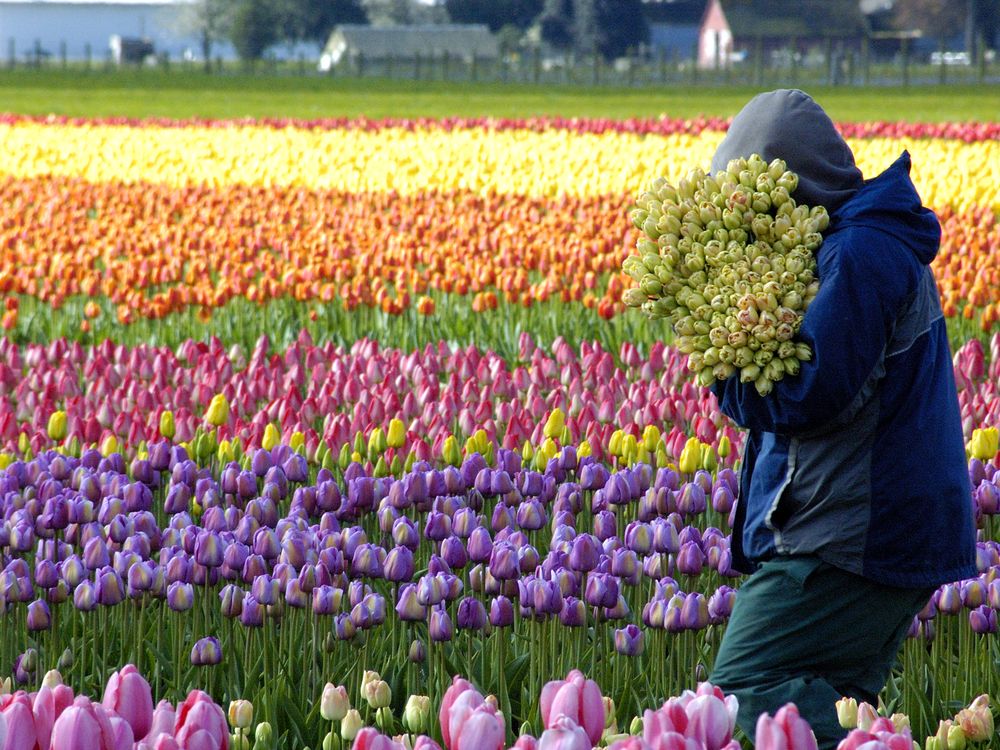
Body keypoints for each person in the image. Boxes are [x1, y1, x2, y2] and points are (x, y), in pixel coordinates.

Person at [705, 89, 977, 749]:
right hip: (873, 530)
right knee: (838, 715)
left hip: (848, 537)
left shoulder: (859, 257)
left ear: (793, 187)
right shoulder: (854, 247)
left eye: (756, 201)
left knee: (741, 689)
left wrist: (725, 364)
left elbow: (810, 394)